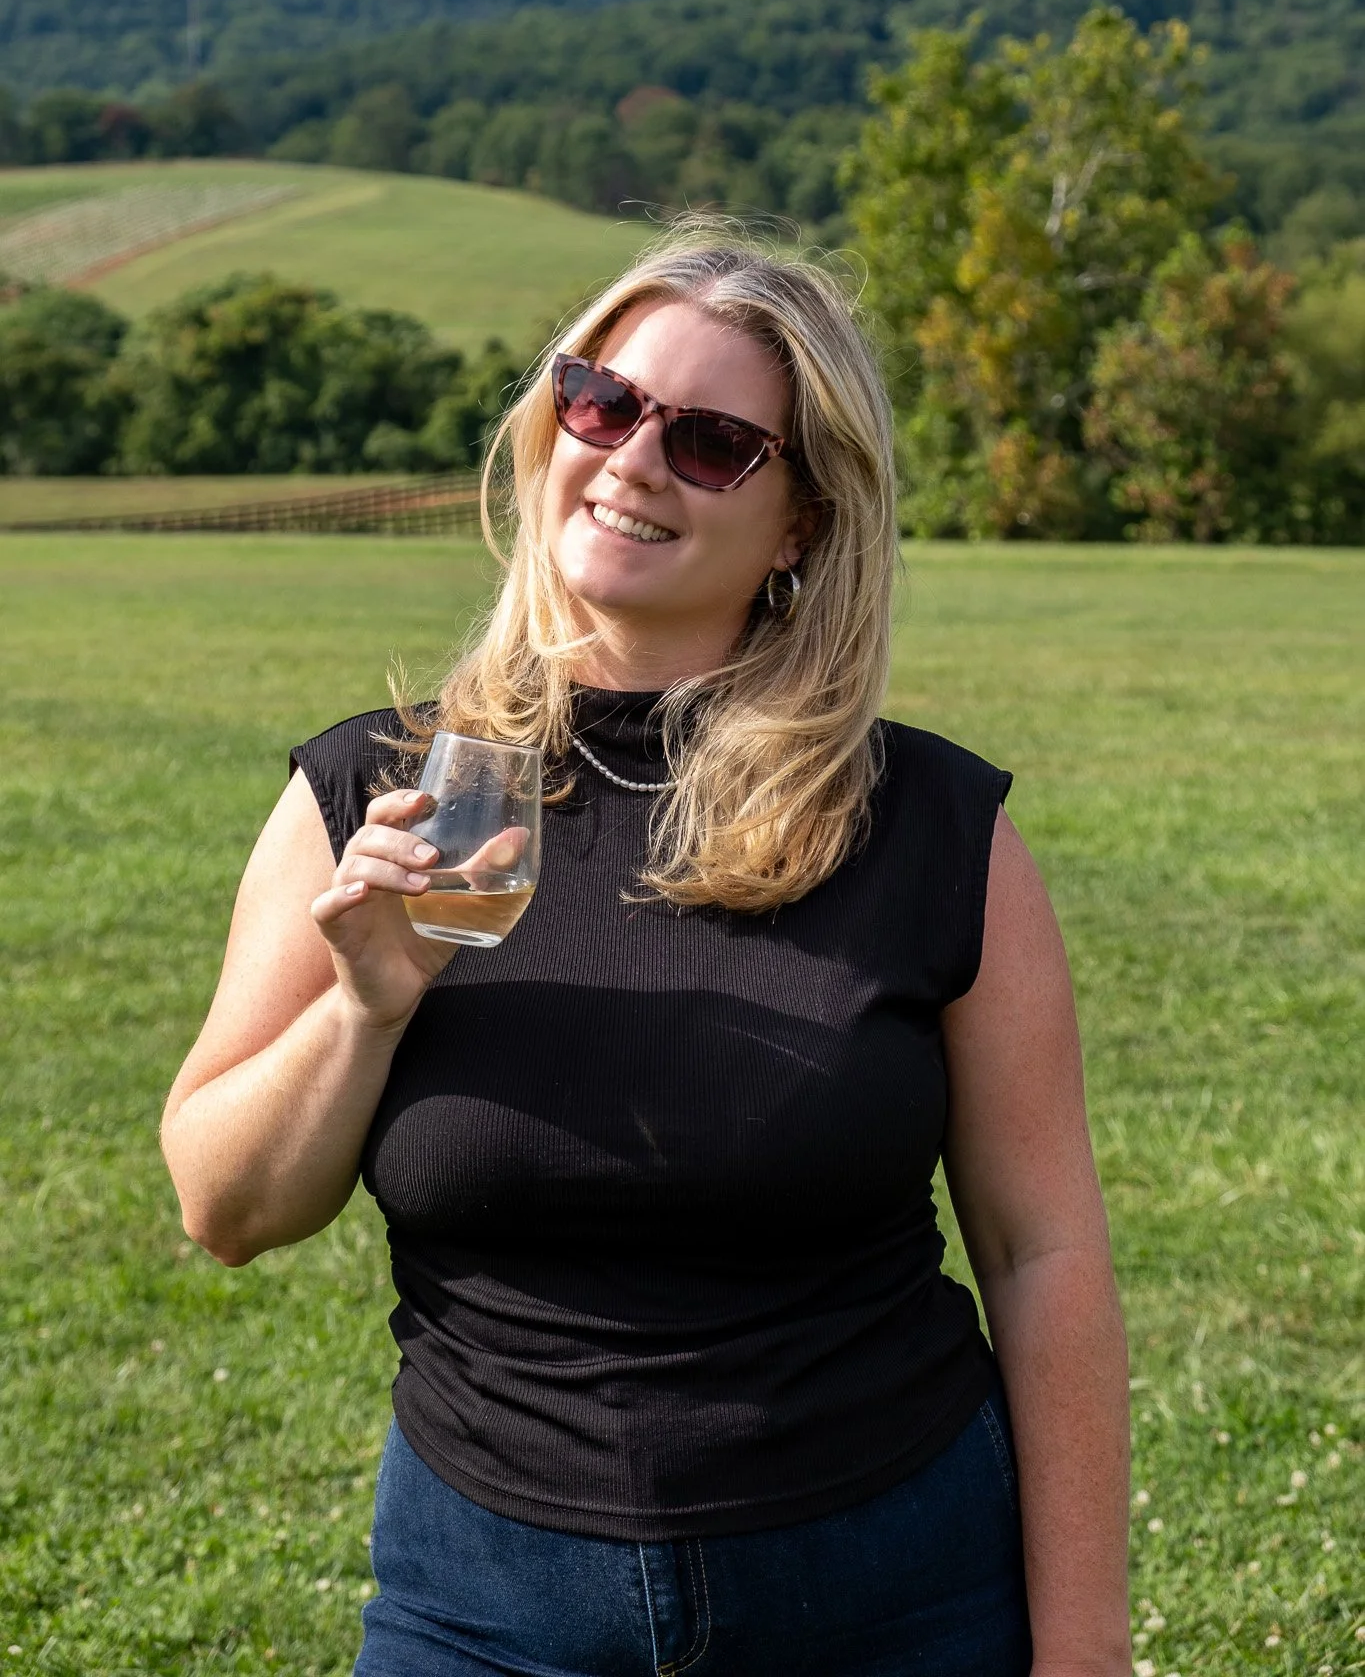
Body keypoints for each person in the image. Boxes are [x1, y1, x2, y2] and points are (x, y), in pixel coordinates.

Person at [162, 224, 1131, 1677]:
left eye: (715, 443)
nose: (630, 460)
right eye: (600, 402)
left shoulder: (935, 825)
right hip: (482, 1608)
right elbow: (224, 1210)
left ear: (804, 520)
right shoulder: (379, 794)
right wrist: (364, 1010)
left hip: (890, 1598)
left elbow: (1042, 1251)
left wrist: (1085, 1647)